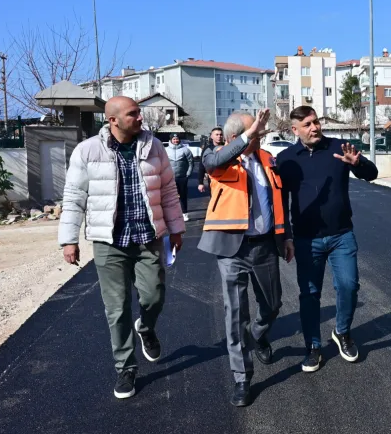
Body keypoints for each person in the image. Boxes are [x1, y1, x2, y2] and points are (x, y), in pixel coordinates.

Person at [59, 96, 185, 400]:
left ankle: (147, 327)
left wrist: (177, 227)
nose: (140, 118)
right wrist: (69, 238)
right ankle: (126, 368)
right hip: (109, 242)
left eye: (139, 113)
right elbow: (74, 196)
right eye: (133, 114)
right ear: (112, 120)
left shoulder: (154, 146)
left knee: (154, 295)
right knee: (116, 310)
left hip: (148, 237)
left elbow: (168, 189)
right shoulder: (88, 151)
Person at [198, 108, 293, 407]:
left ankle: (259, 334)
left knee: (273, 304)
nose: (260, 135)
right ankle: (242, 378)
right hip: (232, 248)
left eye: (259, 131)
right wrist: (245, 138)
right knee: (236, 314)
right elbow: (212, 163)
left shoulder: (268, 160)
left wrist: (286, 235)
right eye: (254, 132)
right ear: (233, 137)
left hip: (265, 246)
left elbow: (280, 200)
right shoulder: (220, 160)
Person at [276, 105, 378, 372]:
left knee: (349, 285)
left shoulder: (338, 148)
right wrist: (286, 236)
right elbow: (280, 201)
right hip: (307, 240)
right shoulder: (287, 159)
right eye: (307, 125)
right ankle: (313, 346)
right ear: (294, 130)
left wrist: (358, 163)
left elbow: (372, 175)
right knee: (309, 294)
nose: (314, 128)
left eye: (316, 122)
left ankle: (342, 332)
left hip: (341, 235)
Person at [166, 134, 194, 221]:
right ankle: (172, 214)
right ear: (171, 140)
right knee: (171, 197)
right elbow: (162, 163)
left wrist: (188, 174)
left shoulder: (185, 150)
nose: (175, 141)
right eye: (174, 139)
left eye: (177, 139)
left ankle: (184, 213)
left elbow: (191, 162)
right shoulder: (165, 150)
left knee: (183, 196)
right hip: (170, 177)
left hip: (182, 177)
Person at [198, 127, 225, 194]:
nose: (219, 136)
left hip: (226, 179)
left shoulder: (227, 147)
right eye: (217, 134)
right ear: (211, 136)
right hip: (213, 179)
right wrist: (200, 183)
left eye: (221, 134)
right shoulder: (207, 149)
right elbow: (202, 165)